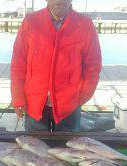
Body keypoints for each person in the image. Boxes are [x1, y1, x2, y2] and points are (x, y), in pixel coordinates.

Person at [11, 0, 102, 132]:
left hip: (69, 107)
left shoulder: (84, 25)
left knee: (67, 150)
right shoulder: (31, 21)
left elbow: (93, 66)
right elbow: (18, 63)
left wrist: (81, 97)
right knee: (35, 150)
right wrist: (18, 98)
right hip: (35, 105)